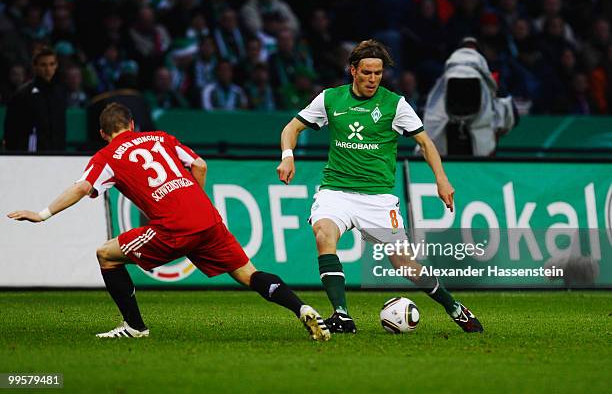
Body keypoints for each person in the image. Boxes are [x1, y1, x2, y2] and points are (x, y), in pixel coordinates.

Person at [7, 102, 330, 342]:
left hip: (174, 227)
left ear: (104, 133)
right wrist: (195, 200)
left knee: (106, 254)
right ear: (132, 124)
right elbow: (200, 165)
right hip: (207, 219)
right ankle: (301, 308)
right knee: (249, 274)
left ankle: (135, 327)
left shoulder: (107, 155)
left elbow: (81, 188)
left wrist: (43, 214)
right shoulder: (161, 138)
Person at [276, 40, 483, 334]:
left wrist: (442, 179)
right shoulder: (330, 100)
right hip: (336, 191)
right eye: (367, 72)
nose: (373, 79)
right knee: (324, 234)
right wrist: (287, 157)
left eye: (378, 73)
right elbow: (291, 128)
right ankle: (342, 315)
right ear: (353, 71)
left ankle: (454, 307)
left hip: (379, 199)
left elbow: (425, 143)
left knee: (404, 264)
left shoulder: (395, 104)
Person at [3, 46, 67, 151]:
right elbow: (10, 130)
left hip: (57, 157)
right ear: (34, 66)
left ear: (56, 65)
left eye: (52, 64)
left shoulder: (59, 93)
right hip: (30, 157)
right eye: (43, 65)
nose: (48, 69)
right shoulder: (22, 94)